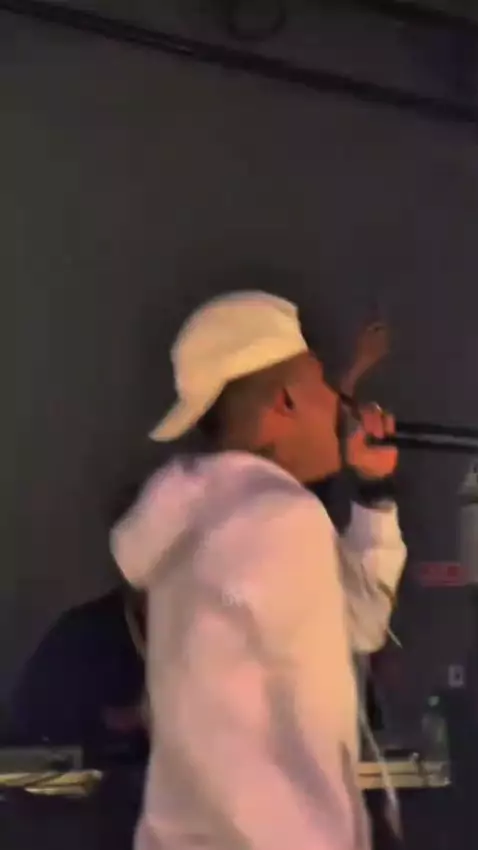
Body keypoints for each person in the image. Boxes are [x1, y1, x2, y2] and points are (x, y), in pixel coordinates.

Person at [111, 290, 406, 850]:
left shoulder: (192, 517)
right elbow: (364, 624)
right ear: (286, 401)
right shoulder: (278, 518)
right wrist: (376, 494)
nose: (339, 405)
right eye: (323, 384)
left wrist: (373, 491)